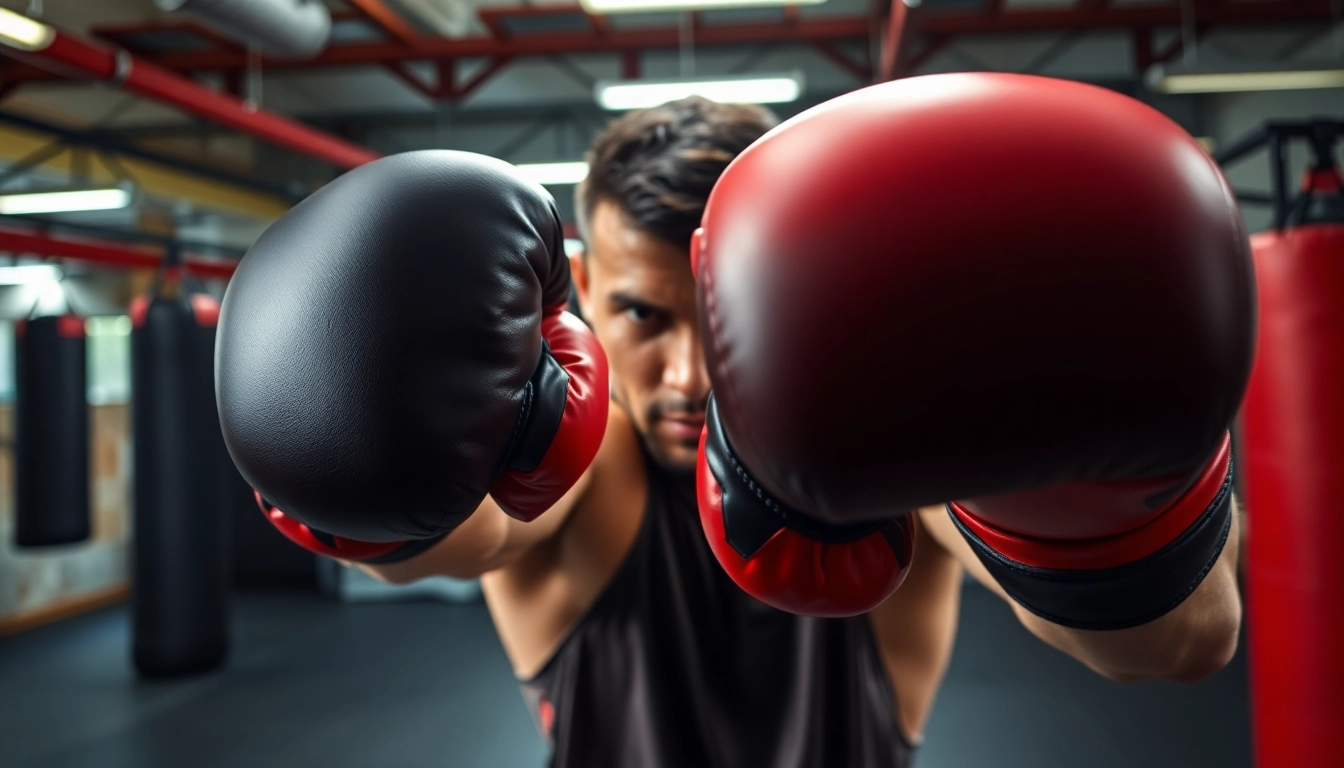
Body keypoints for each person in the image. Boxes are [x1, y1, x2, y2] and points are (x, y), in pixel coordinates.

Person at [216, 84, 1246, 768]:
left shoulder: (876, 450)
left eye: (719, 321)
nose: (694, 374)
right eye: (643, 317)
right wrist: (335, 425)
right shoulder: (586, 474)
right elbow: (456, 535)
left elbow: (1180, 643)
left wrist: (1098, 489)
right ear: (576, 297)